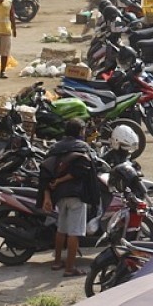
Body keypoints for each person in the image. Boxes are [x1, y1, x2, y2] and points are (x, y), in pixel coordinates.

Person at [39, 118, 94, 276]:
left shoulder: (55, 147)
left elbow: (45, 172)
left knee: (61, 229)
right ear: (80, 132)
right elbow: (83, 170)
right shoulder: (82, 147)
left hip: (59, 195)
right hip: (76, 195)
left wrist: (48, 196)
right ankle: (70, 268)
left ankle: (57, 262)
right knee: (74, 232)